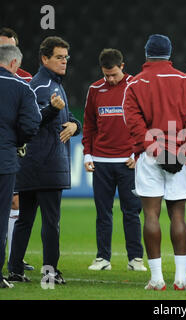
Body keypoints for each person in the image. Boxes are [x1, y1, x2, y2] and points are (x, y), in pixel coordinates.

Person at [122, 34, 186, 290]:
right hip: (180, 157)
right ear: (170, 54)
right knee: (178, 215)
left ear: (147, 54)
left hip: (149, 157)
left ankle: (157, 279)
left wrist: (157, 150)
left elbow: (133, 123)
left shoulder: (135, 83)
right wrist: (184, 149)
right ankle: (180, 278)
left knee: (151, 215)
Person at [8, 36, 81, 285]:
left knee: (26, 219)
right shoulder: (41, 86)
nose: (64, 62)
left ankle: (15, 268)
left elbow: (68, 117)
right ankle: (50, 272)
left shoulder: (53, 84)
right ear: (44, 58)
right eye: (59, 57)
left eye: (66, 57)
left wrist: (75, 125)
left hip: (35, 163)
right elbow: (31, 121)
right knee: (51, 221)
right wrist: (52, 110)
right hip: (46, 163)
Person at [82, 48, 146, 272]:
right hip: (100, 161)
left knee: (131, 212)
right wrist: (87, 154)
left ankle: (135, 258)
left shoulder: (135, 86)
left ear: (123, 66)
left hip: (128, 162)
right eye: (106, 75)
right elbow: (89, 124)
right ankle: (103, 258)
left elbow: (146, 121)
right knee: (103, 212)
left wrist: (137, 153)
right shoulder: (95, 89)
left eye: (114, 75)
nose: (109, 79)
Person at [0, 45, 41, 288]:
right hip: (4, 160)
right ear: (15, 63)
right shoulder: (21, 87)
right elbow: (31, 124)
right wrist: (18, 141)